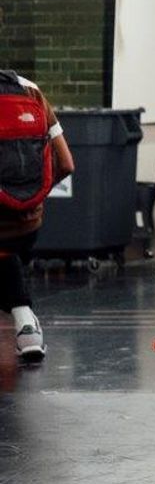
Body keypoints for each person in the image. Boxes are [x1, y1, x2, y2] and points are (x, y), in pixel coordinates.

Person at [0, 72, 74, 362]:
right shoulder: (30, 90)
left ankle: (24, 319)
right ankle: (27, 326)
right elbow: (66, 164)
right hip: (28, 224)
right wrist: (30, 198)